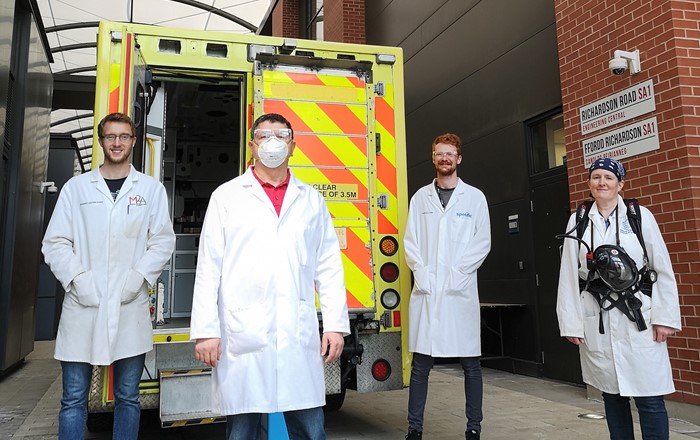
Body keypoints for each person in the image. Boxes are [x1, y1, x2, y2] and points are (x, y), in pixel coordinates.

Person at [190, 113, 350, 440]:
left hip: (296, 332)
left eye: (281, 135)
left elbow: (329, 265)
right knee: (242, 432)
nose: (272, 142)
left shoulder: (311, 200)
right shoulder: (228, 196)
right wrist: (206, 331)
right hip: (243, 333)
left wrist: (334, 323)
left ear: (293, 146)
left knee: (310, 430)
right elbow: (209, 266)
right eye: (264, 135)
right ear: (252, 146)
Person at [42, 112, 175, 439]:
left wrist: (138, 279)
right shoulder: (76, 188)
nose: (117, 143)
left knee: (128, 398)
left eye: (124, 137)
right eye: (110, 136)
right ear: (101, 141)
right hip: (82, 308)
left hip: (129, 307)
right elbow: (55, 242)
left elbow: (162, 241)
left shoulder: (149, 189)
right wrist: (78, 281)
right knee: (73, 399)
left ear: (133, 141)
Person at [557, 157, 681, 440]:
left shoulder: (639, 217)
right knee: (612, 396)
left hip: (639, 318)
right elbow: (567, 274)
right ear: (589, 183)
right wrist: (571, 323)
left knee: (649, 398)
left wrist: (664, 318)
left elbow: (661, 267)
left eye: (609, 178)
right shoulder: (578, 220)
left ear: (620, 184)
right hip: (597, 316)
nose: (602, 182)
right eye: (596, 177)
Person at [403, 133, 492, 440]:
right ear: (433, 158)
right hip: (428, 292)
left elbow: (482, 243)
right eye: (439, 153)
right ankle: (414, 429)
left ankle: (473, 428)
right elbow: (410, 243)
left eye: (449, 154)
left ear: (458, 159)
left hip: (459, 292)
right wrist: (423, 275)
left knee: (471, 364)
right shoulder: (420, 198)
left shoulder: (475, 198)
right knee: (420, 366)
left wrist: (457, 274)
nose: (444, 158)